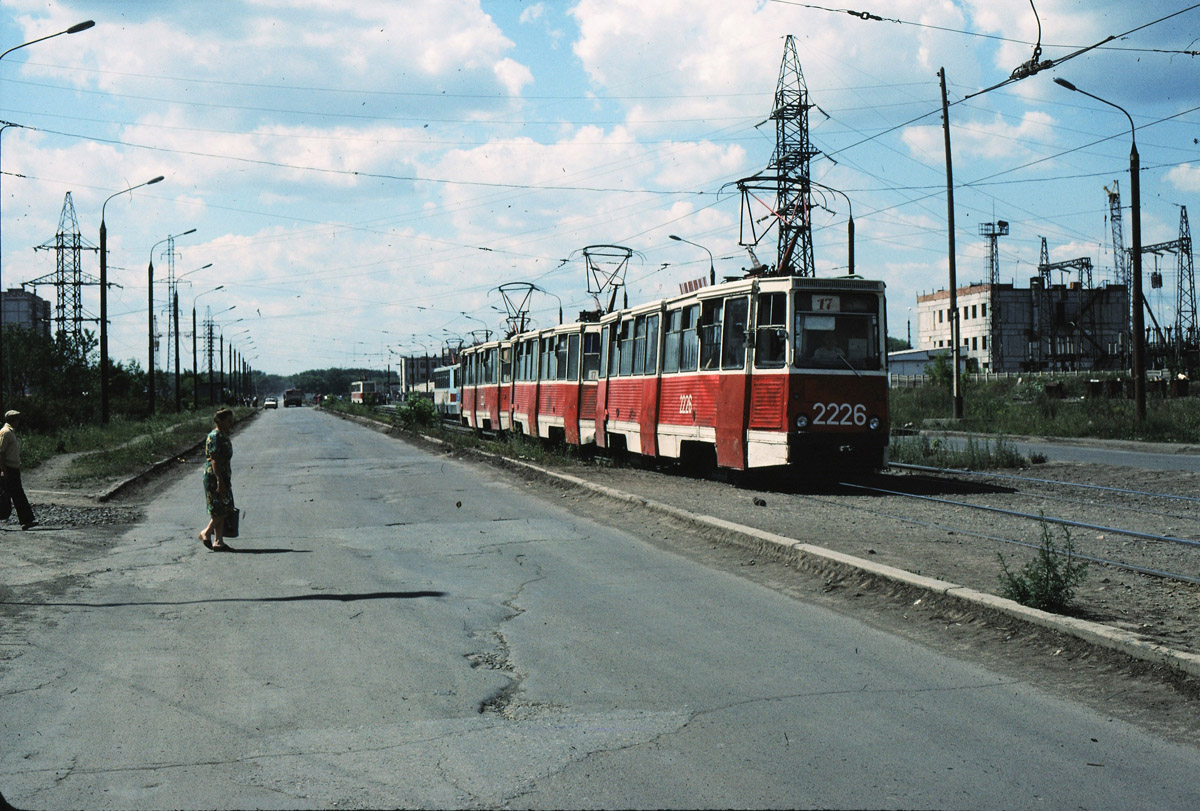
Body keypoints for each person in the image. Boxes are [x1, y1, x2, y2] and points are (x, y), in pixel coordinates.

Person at [198, 408, 236, 551]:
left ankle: (218, 542)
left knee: (219, 509)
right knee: (225, 507)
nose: (230, 424)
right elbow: (214, 460)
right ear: (219, 420)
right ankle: (206, 532)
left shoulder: (223, 435)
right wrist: (219, 480)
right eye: (228, 421)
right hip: (215, 476)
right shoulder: (215, 436)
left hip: (222, 475)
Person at [0, 410, 36, 529]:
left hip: (13, 468)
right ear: (13, 420)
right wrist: (3, 470)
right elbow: (1, 453)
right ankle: (27, 520)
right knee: (17, 494)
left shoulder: (11, 432)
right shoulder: (5, 432)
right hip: (8, 468)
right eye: (17, 419)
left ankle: (27, 520)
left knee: (14, 494)